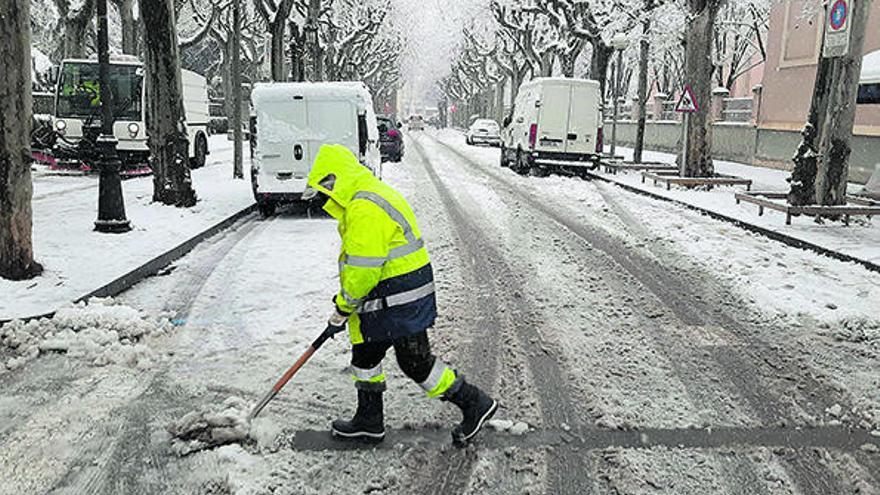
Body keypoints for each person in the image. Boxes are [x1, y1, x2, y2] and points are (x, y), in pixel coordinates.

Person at [304, 144, 497, 446]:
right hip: (393, 293)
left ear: (333, 180)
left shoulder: (363, 206)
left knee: (415, 362)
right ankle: (369, 420)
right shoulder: (368, 194)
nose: (324, 199)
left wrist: (343, 308)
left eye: (324, 192)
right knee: (366, 354)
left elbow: (363, 270)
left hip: (401, 297)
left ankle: (474, 402)